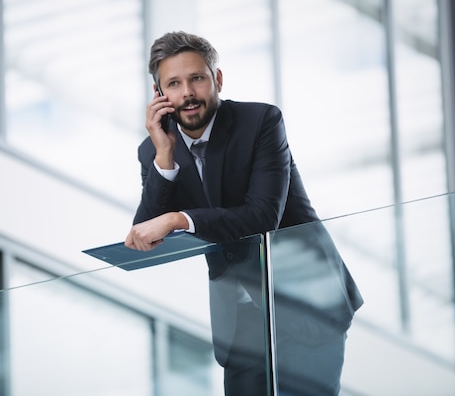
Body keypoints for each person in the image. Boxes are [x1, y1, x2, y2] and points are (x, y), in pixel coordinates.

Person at [124, 31, 363, 396]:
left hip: (305, 296)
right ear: (159, 94)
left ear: (216, 79)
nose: (187, 92)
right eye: (173, 83)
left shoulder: (260, 122)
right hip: (240, 319)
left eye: (197, 78)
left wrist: (179, 219)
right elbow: (145, 235)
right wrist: (163, 159)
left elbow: (262, 217)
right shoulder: (155, 151)